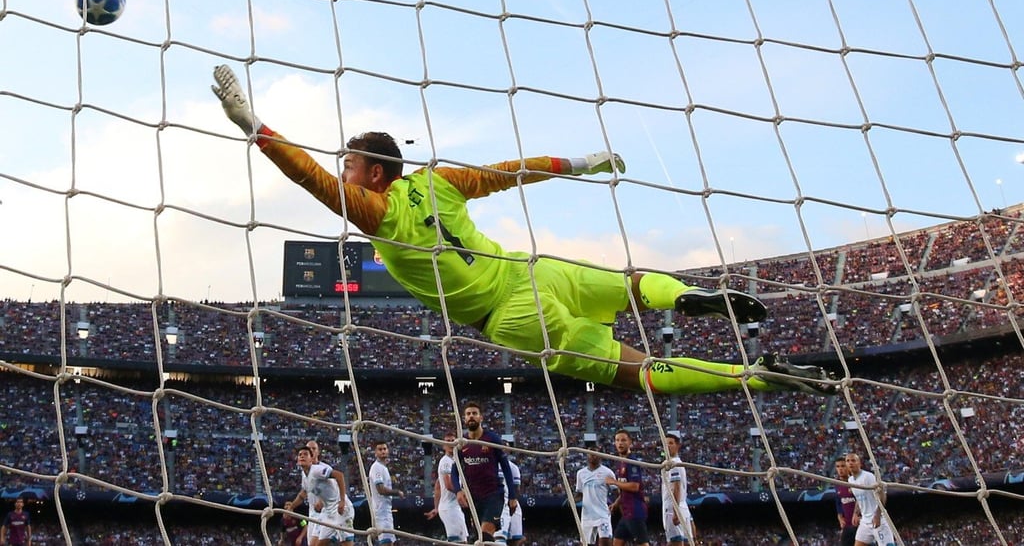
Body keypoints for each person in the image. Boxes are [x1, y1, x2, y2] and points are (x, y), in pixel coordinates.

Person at [210, 65, 838, 398]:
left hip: (510, 315)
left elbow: (308, 178)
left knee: (640, 372)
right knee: (633, 283)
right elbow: (509, 171)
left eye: (350, 166)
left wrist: (251, 123)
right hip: (534, 268)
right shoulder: (439, 181)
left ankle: (755, 376)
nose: (343, 175)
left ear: (373, 173)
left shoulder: (380, 213)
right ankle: (686, 296)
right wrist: (580, 163)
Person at [451, 402, 517, 543]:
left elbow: (505, 467)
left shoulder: (492, 439)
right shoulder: (462, 443)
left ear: (481, 418)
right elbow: (454, 471)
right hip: (472, 497)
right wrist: (458, 491)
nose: (471, 417)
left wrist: (512, 495)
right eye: (468, 414)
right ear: (464, 419)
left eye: (474, 413)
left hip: (493, 495)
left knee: (485, 533)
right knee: (477, 539)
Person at [288, 445, 352, 546]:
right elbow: (303, 494)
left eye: (305, 454)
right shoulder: (304, 476)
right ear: (297, 460)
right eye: (300, 455)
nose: (302, 456)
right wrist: (291, 507)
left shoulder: (317, 470)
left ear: (311, 459)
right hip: (327, 512)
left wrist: (342, 500)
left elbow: (339, 475)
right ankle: (334, 536)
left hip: (340, 508)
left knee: (346, 543)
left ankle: (336, 536)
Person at [425, 432, 469, 543]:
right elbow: (448, 485)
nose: (450, 443)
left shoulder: (455, 461)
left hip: (450, 506)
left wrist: (436, 507)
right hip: (450, 507)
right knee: (458, 542)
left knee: (462, 540)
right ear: (443, 445)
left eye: (452, 441)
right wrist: (463, 493)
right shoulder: (446, 461)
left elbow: (438, 486)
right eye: (447, 441)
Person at [607, 429, 649, 546]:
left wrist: (614, 482)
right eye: (617, 440)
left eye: (623, 440)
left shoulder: (632, 462)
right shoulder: (621, 462)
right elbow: (625, 488)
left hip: (635, 511)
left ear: (630, 442)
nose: (620, 443)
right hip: (626, 512)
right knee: (617, 541)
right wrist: (616, 503)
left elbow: (634, 486)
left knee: (643, 543)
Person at [844, 454, 895, 546]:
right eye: (848, 461)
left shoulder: (868, 476)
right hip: (865, 521)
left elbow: (882, 494)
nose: (850, 463)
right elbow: (859, 498)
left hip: (879, 519)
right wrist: (856, 513)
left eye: (853, 460)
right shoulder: (850, 480)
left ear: (859, 463)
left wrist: (878, 515)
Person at [574, 451, 616, 546]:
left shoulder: (607, 472)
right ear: (587, 456)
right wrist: (573, 500)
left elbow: (616, 491)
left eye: (595, 454)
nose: (593, 456)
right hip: (587, 515)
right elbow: (580, 493)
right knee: (584, 543)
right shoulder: (581, 473)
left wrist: (615, 504)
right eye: (591, 454)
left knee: (605, 542)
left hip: (602, 514)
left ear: (600, 456)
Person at [661, 432, 695, 545]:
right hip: (682, 506)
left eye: (671, 443)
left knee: (675, 541)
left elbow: (676, 487)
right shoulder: (679, 463)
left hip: (672, 506)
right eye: (666, 444)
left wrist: (675, 511)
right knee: (686, 541)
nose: (668, 446)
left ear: (678, 446)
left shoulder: (672, 464)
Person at [369, 441, 404, 544]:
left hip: (385, 509)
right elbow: (380, 490)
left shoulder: (383, 467)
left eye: (384, 449)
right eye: (380, 449)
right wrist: (397, 492)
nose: (383, 451)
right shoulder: (377, 467)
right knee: (386, 541)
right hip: (381, 510)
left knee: (390, 542)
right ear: (375, 452)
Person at [497, 448, 524, 545]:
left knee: (516, 537)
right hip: (497, 502)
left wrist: (513, 501)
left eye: (506, 448)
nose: (504, 449)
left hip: (511, 501)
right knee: (498, 537)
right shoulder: (491, 464)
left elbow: (517, 488)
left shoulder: (513, 467)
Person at [834, 456, 856, 546]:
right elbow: (839, 502)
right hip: (847, 525)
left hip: (860, 523)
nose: (840, 469)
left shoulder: (855, 482)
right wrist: (840, 517)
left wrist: (857, 514)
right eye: (838, 467)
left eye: (843, 466)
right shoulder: (837, 484)